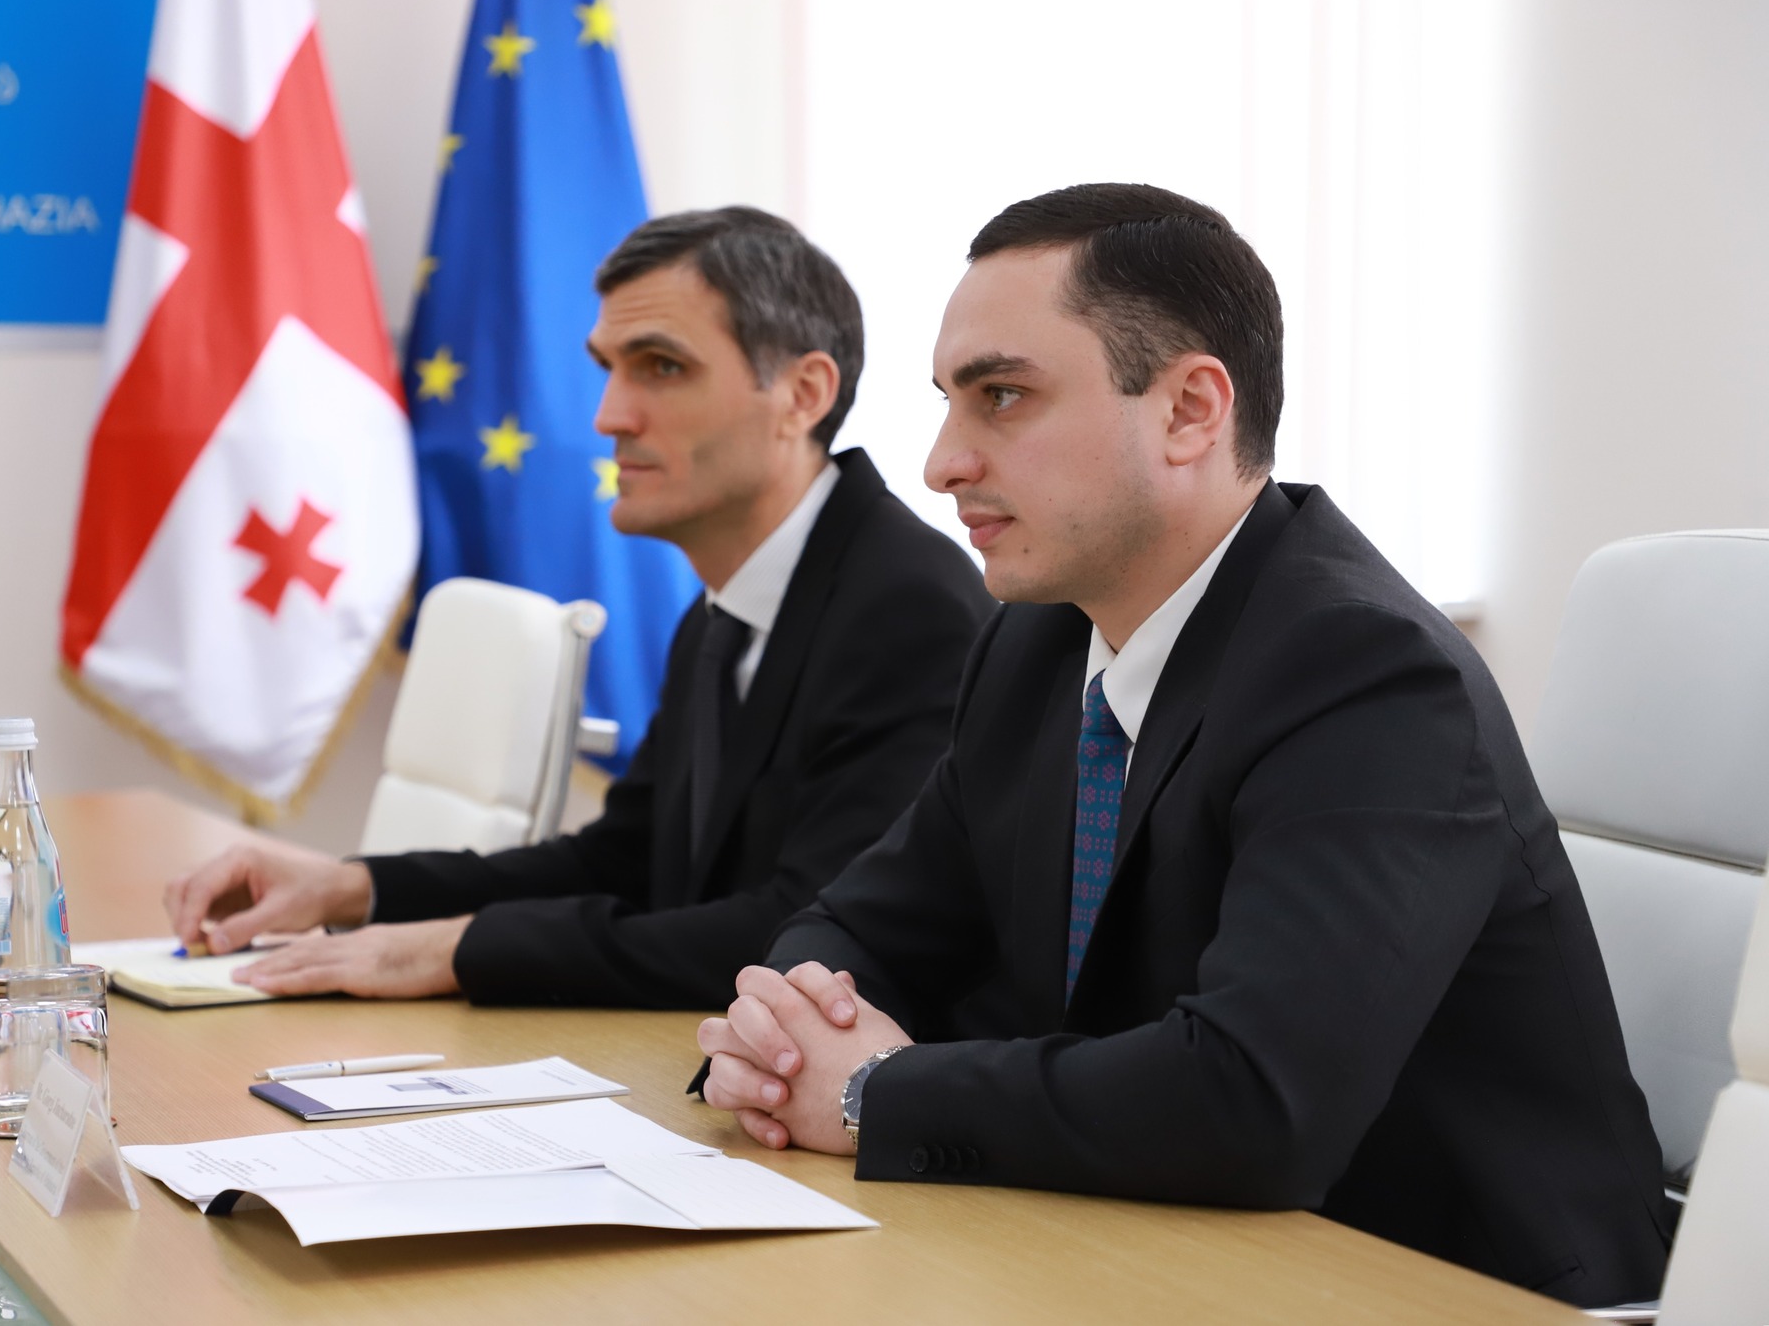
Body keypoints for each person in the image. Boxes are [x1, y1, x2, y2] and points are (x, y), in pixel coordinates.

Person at [694, 184, 1672, 1305]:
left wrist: (873, 1091)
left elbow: (1254, 1099)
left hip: (1450, 1289)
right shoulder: (1034, 645)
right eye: (948, 403)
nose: (941, 463)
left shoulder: (1365, 673)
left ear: (1190, 412)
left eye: (1001, 397)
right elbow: (861, 924)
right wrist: (786, 1036)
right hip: (1166, 1253)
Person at [163, 207, 993, 1009]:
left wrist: (455, 950)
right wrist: (352, 886)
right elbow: (625, 859)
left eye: (661, 366)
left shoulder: (906, 606)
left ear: (802, 394)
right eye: (609, 368)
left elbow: (812, 934)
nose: (608, 416)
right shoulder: (727, 608)